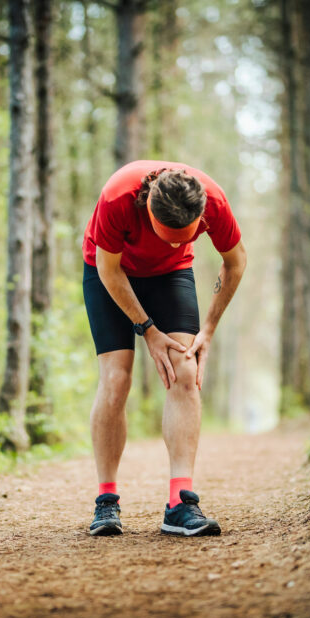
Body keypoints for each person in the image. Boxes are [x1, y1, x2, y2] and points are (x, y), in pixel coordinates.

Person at [82, 160, 247, 536]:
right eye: (167, 235)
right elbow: (109, 271)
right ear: (148, 209)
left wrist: (208, 328)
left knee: (185, 371)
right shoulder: (117, 197)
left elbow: (235, 262)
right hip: (109, 271)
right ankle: (106, 502)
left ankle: (180, 503)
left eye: (183, 236)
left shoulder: (214, 203)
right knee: (116, 378)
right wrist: (148, 330)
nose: (174, 241)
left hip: (171, 275)